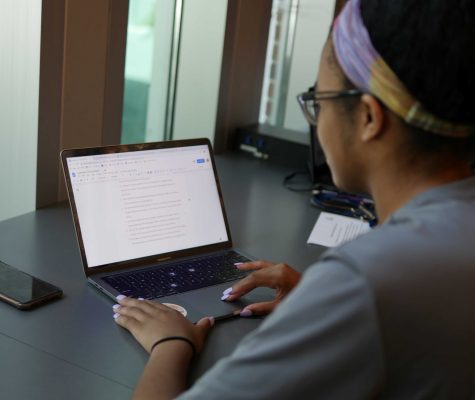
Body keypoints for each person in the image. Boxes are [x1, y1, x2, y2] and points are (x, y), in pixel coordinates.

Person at [112, 0, 475, 398]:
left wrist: (170, 343)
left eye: (319, 100)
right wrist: (318, 311)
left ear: (370, 118)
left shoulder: (366, 282)